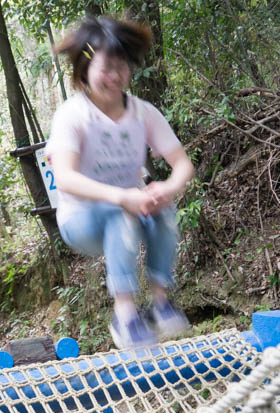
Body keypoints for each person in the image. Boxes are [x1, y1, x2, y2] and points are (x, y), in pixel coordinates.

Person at [46, 16, 194, 349]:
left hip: (128, 211)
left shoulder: (143, 113)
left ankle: (160, 304)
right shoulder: (73, 115)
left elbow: (183, 164)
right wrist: (122, 196)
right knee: (120, 211)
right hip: (79, 220)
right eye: (106, 67)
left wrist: (167, 188)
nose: (115, 76)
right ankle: (125, 316)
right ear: (85, 68)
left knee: (164, 211)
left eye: (122, 66)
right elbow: (65, 178)